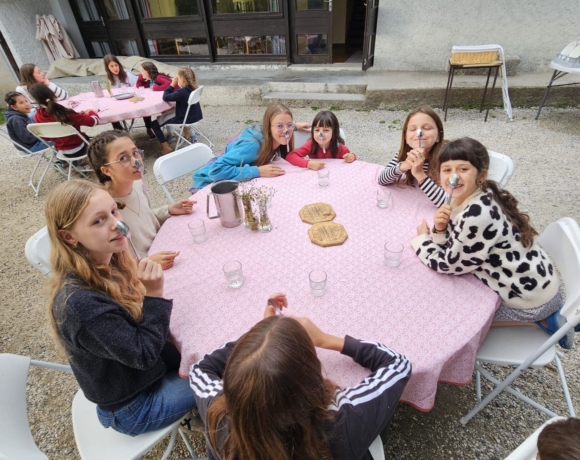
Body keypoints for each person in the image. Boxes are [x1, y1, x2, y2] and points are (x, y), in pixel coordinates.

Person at [46, 179, 196, 436]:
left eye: (114, 211)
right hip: (135, 407)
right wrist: (154, 296)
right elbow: (144, 354)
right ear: (69, 237)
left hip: (147, 374)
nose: (117, 224)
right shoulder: (80, 304)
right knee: (230, 373)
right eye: (98, 221)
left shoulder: (107, 258)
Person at [189, 294, 411, 460]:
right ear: (311, 379)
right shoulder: (340, 422)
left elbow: (199, 369)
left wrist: (261, 336)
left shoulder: (219, 416)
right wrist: (326, 340)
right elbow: (398, 364)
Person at [411, 137, 574, 349]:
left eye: (462, 169)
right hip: (540, 282)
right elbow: (458, 243)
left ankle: (546, 322)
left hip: (529, 300)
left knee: (457, 324)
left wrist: (423, 241)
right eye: (447, 169)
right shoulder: (480, 194)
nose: (453, 177)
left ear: (482, 175)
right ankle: (559, 314)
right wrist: (441, 230)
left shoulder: (478, 215)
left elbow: (450, 265)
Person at [87, 130, 195, 268]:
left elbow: (143, 218)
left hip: (164, 247)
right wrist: (146, 263)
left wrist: (168, 210)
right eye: (123, 158)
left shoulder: (137, 183)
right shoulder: (107, 208)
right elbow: (113, 264)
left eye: (135, 153)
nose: (135, 162)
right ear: (106, 171)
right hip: (145, 270)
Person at [193, 102, 310, 190]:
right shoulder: (253, 146)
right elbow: (215, 171)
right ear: (268, 127)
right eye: (280, 126)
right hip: (207, 184)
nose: (286, 131)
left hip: (235, 182)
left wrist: (294, 126)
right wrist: (257, 171)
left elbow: (283, 126)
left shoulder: (277, 134)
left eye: (289, 125)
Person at [378, 106, 447, 207]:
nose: (419, 133)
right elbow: (382, 180)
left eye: (427, 128)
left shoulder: (447, 159)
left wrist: (420, 174)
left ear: (438, 136)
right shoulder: (405, 154)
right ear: (406, 137)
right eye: (413, 129)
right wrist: (404, 166)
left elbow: (447, 202)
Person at [30, 84, 98, 159]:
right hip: (81, 148)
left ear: (37, 101)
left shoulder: (37, 116)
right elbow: (93, 122)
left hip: (62, 151)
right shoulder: (65, 113)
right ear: (53, 94)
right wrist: (91, 112)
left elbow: (47, 138)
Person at [150, 67, 201, 155]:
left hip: (185, 118)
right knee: (166, 114)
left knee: (154, 124)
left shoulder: (182, 92)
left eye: (177, 77)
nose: (175, 79)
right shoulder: (194, 88)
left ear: (181, 79)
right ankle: (186, 135)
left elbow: (166, 97)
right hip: (194, 116)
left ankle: (166, 148)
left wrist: (172, 85)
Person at [286, 110, 356, 170]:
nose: (320, 134)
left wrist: (352, 156)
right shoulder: (311, 144)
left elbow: (350, 159)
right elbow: (290, 156)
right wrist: (308, 164)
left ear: (334, 132)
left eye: (326, 130)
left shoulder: (339, 147)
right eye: (317, 130)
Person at [136, 62, 174, 140]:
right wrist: (141, 77)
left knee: (158, 119)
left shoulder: (158, 77)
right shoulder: (153, 78)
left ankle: (168, 137)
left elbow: (169, 84)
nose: (141, 72)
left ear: (148, 71)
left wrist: (155, 87)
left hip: (175, 104)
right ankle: (170, 134)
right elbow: (140, 86)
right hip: (172, 101)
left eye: (142, 70)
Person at [103, 54, 139, 131]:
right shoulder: (109, 77)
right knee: (110, 111)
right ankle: (120, 132)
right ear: (107, 68)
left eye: (116, 65)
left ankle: (149, 128)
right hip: (119, 100)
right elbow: (111, 92)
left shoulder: (127, 75)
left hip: (131, 99)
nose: (115, 68)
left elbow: (137, 88)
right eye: (111, 66)